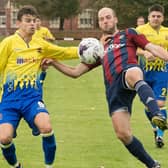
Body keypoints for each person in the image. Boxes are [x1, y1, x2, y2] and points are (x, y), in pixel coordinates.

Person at [41, 7, 168, 168]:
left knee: (133, 73)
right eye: (101, 19)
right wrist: (54, 63)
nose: (105, 21)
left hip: (128, 73)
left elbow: (152, 48)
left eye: (108, 17)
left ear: (115, 19)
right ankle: (152, 165)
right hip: (113, 91)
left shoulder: (129, 33)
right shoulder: (97, 48)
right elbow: (75, 72)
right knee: (123, 134)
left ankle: (157, 114)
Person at [0, 5, 78, 168]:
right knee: (4, 138)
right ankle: (16, 166)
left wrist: (84, 50)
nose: (32, 25)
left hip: (31, 99)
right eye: (28, 21)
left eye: (34, 21)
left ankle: (48, 166)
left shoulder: (40, 44)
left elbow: (62, 52)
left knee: (46, 126)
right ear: (19, 23)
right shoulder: (8, 43)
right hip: (9, 101)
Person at [136, 4, 168, 148]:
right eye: (153, 16)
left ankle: (160, 136)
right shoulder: (140, 31)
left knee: (160, 104)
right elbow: (132, 48)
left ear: (163, 18)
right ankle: (155, 128)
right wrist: (144, 53)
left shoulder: (167, 32)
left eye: (158, 16)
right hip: (144, 72)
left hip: (162, 72)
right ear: (148, 17)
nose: (155, 18)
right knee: (149, 105)